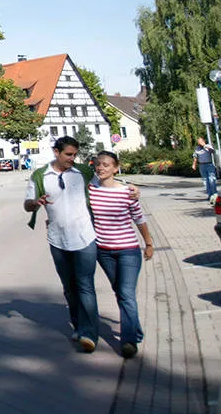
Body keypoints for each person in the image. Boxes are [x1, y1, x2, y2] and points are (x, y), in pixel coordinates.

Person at [23, 136, 140, 353]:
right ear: (56, 152)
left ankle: (89, 333)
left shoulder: (83, 173)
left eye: (74, 155)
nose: (72, 158)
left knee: (85, 285)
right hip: (57, 240)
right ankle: (78, 325)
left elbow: (107, 182)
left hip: (85, 237)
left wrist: (130, 188)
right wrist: (36, 203)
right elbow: (27, 204)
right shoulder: (40, 176)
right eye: (68, 154)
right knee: (70, 287)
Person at [89, 151, 153, 359]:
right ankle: (135, 330)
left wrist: (149, 243)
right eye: (98, 164)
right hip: (103, 251)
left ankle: (128, 342)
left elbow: (139, 218)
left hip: (128, 251)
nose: (101, 168)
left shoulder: (127, 192)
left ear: (116, 168)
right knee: (120, 292)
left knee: (126, 294)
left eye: (106, 165)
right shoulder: (91, 190)